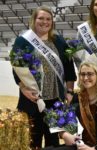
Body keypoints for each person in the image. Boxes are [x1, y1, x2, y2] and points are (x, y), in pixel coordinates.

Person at [11, 6, 76, 149]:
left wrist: (70, 90)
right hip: (32, 100)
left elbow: (69, 66)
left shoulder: (59, 41)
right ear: (34, 20)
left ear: (52, 22)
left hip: (55, 102)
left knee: (53, 142)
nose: (45, 22)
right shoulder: (23, 41)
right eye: (41, 18)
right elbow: (17, 69)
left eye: (48, 19)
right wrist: (23, 88)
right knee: (31, 141)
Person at [43, 61, 97, 150]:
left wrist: (95, 149)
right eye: (82, 74)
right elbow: (64, 125)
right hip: (81, 147)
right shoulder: (77, 97)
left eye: (90, 74)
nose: (85, 78)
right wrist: (65, 135)